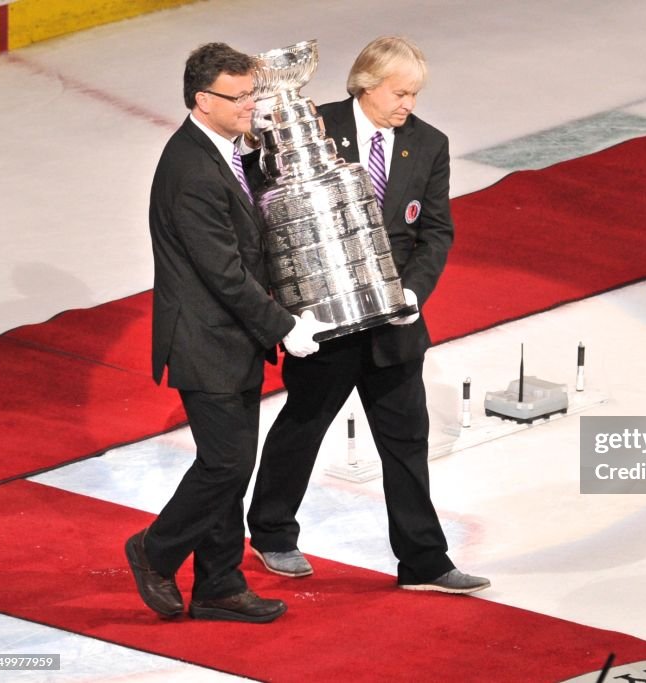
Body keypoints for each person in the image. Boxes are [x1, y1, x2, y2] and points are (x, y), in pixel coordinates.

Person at [247, 36, 489, 594]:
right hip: (326, 320)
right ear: (366, 84)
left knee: (406, 441)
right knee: (302, 427)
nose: (408, 104)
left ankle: (424, 561)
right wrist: (287, 308)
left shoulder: (428, 143)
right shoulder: (312, 125)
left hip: (394, 322)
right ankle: (272, 533)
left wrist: (412, 293)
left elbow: (435, 231)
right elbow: (268, 211)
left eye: (414, 94)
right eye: (400, 92)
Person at [125, 42, 331, 623]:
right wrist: (285, 325)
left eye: (252, 94)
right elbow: (224, 273)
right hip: (204, 339)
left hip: (230, 339)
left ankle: (218, 585)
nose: (250, 107)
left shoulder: (228, 151)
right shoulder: (190, 170)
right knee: (228, 464)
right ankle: (154, 550)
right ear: (202, 100)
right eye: (239, 98)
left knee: (230, 464)